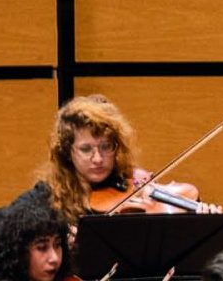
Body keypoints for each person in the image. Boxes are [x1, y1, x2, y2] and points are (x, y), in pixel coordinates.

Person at [31, 93, 213, 225]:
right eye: (86, 149)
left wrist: (201, 221)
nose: (97, 159)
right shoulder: (48, 196)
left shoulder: (132, 180)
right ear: (67, 152)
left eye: (105, 147)